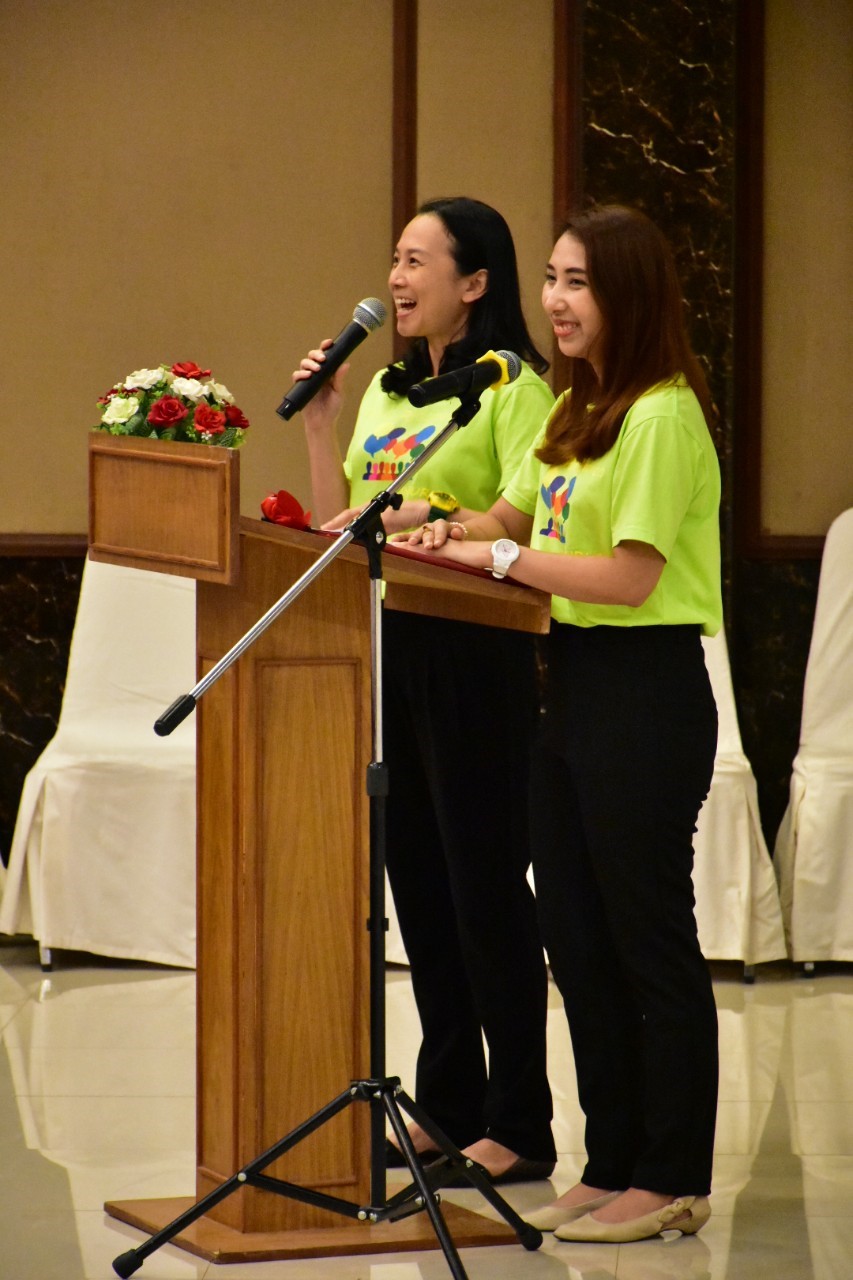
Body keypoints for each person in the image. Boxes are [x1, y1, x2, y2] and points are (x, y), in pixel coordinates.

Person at [399, 204, 721, 1240]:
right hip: (570, 685)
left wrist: (498, 559)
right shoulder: (576, 406)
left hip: (645, 690)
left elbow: (627, 577)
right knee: (576, 940)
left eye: (577, 281)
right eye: (549, 277)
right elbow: (509, 516)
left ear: (629, 293)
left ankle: (671, 1174)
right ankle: (611, 1158)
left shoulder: (661, 415)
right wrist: (440, 529)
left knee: (645, 941)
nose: (554, 300)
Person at [290, 196, 557, 1182]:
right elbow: (341, 523)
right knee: (421, 888)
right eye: (394, 259)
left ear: (473, 282)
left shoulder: (514, 389)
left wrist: (423, 520)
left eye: (416, 261)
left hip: (474, 650)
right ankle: (447, 1105)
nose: (396, 279)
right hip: (391, 641)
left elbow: (516, 517)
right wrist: (322, 425)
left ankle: (519, 1121)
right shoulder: (389, 390)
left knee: (483, 888)